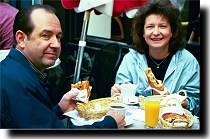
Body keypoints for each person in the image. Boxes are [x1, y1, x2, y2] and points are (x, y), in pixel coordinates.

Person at [0, 5, 125, 128]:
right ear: (21, 39)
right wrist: (109, 124)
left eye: (58, 37)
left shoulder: (17, 71)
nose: (56, 44)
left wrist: (59, 109)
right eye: (46, 35)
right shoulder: (17, 81)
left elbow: (33, 122)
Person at [111, 0, 200, 116]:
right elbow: (121, 101)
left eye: (163, 26)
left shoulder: (188, 61)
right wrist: (117, 94)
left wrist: (173, 100)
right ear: (142, 32)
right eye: (150, 27)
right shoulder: (130, 60)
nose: (156, 32)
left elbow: (196, 104)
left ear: (172, 31)